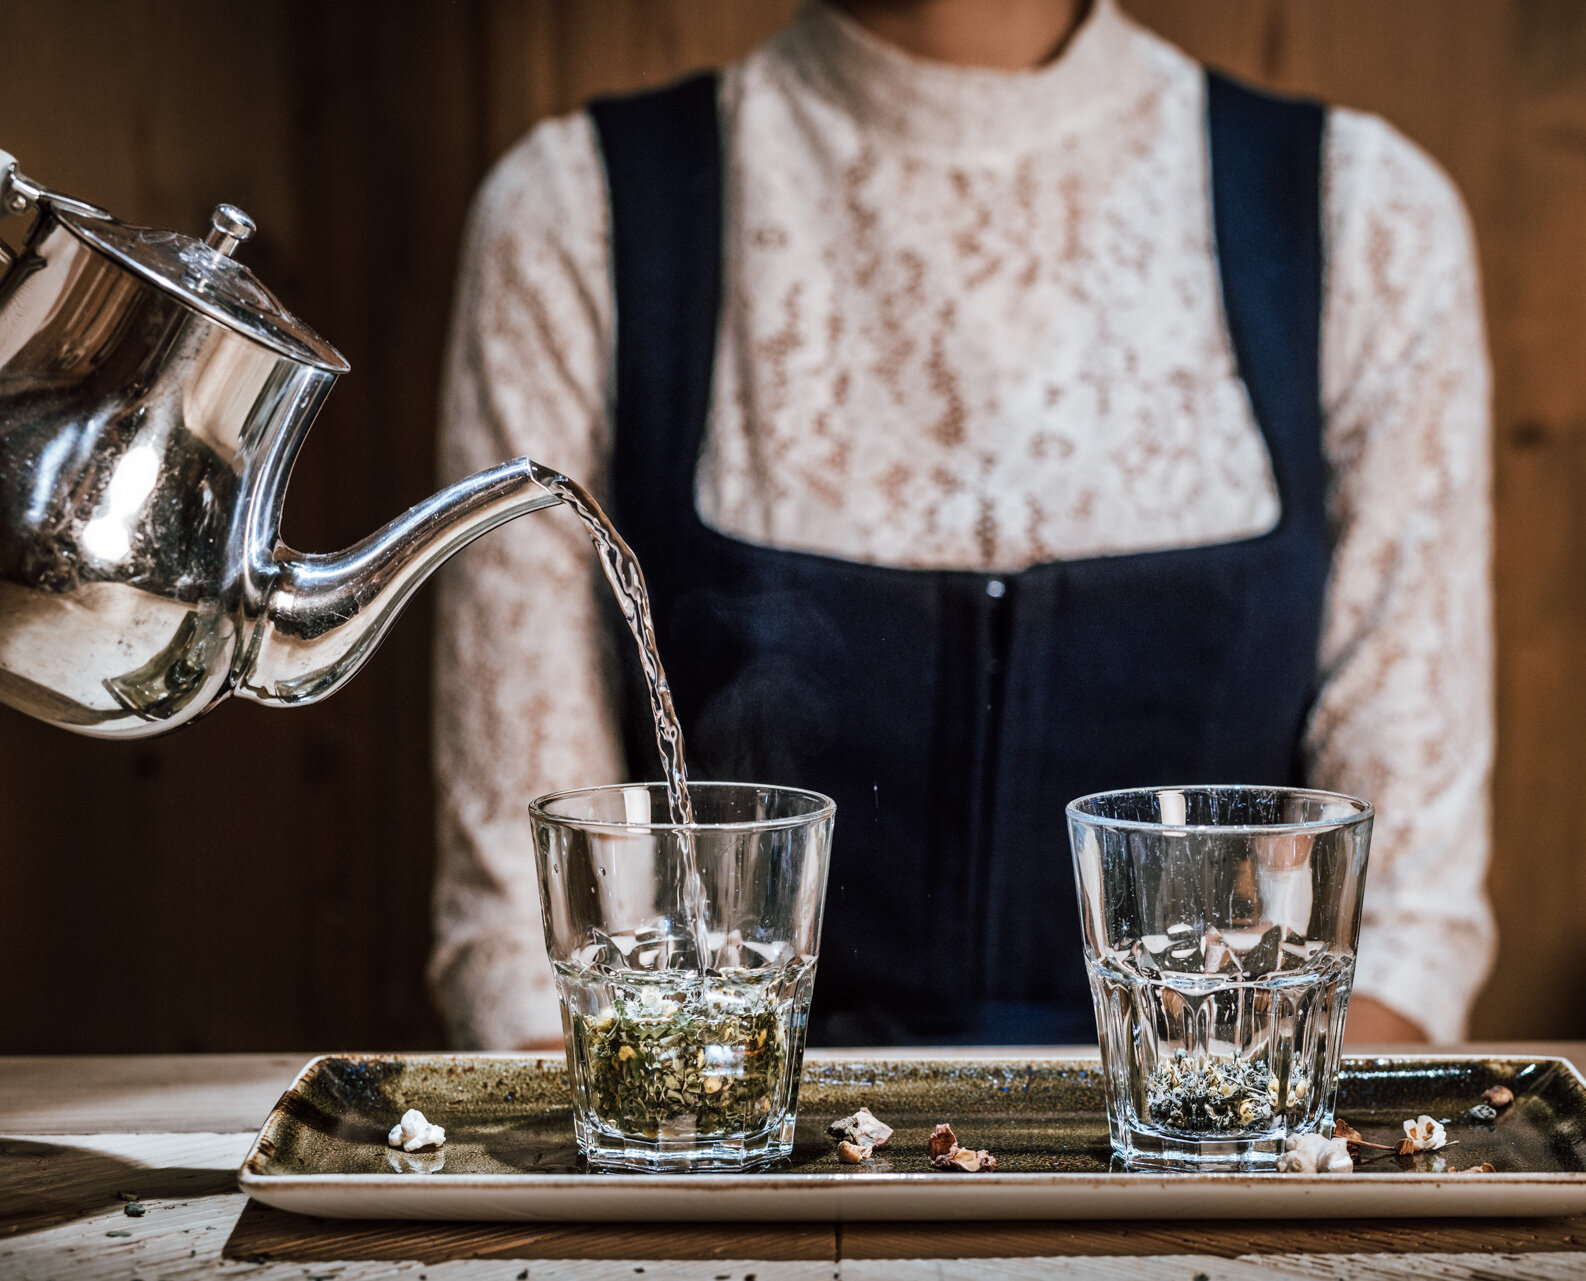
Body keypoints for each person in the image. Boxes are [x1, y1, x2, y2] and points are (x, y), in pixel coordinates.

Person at [430, 0, 1495, 1050]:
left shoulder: (1362, 214)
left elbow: (1402, 927)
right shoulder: (580, 210)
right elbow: (529, 949)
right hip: (730, 1181)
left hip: (1220, 1176)